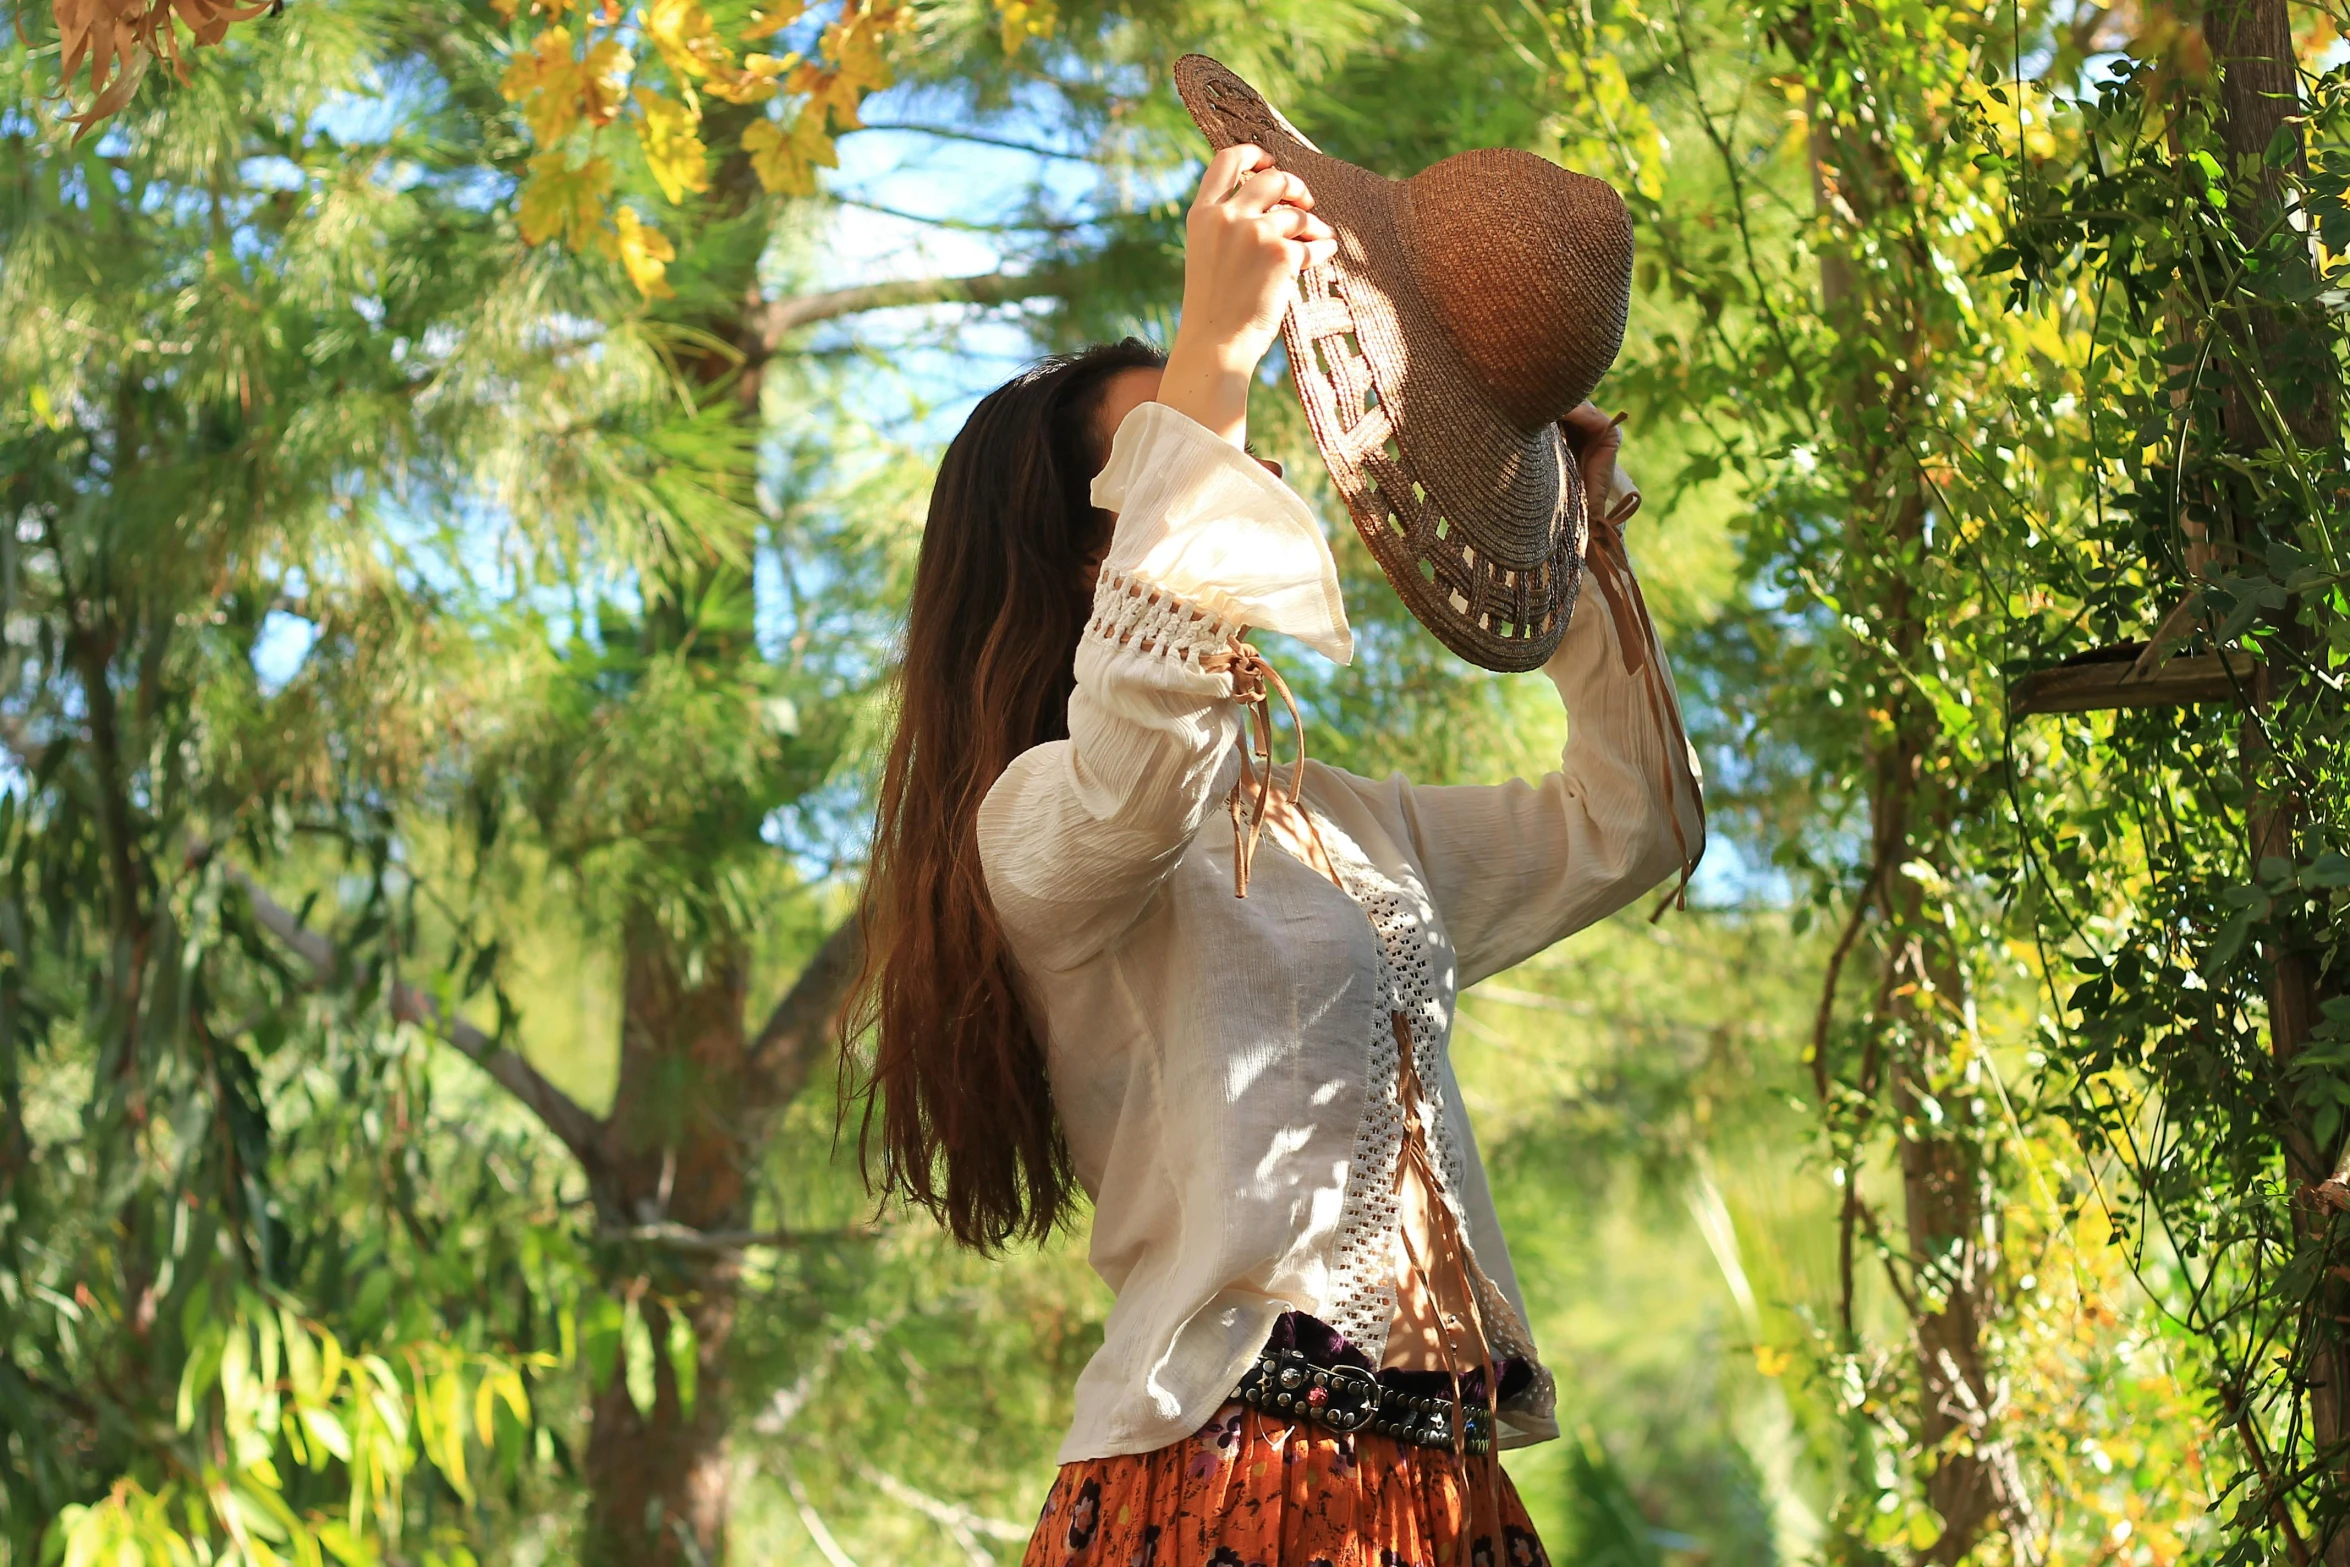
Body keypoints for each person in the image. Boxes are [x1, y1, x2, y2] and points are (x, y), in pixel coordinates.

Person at [850, 140, 1703, 1567]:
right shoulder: (1042, 822)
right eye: (1189, 441)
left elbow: (1635, 825)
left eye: (1230, 439)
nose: (1240, 471)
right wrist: (1211, 345)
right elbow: (1138, 769)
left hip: (1440, 1491)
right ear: (1083, 557)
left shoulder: (1344, 827)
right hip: (1225, 1471)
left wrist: (1573, 553)